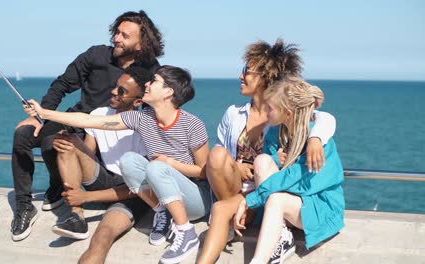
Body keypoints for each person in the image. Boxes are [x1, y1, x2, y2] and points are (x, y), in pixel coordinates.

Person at [23, 65, 210, 264]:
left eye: (153, 81)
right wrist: (45, 113)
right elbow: (88, 120)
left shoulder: (192, 124)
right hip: (163, 194)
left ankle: (186, 232)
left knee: (156, 166)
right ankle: (161, 211)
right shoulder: (141, 119)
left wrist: (170, 164)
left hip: (195, 199)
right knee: (129, 160)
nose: (147, 84)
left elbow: (205, 172)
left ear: (168, 92)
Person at [10, 10, 163, 242]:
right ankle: (24, 206)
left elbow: (154, 109)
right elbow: (62, 84)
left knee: (54, 143)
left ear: (141, 44)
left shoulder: (151, 69)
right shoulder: (96, 55)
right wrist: (37, 118)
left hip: (112, 130)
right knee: (23, 134)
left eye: (124, 35)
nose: (116, 38)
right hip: (77, 120)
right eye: (117, 32)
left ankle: (58, 189)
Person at [198, 77, 345, 264]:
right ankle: (281, 233)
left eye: (270, 108)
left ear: (288, 114)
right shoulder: (276, 132)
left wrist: (250, 200)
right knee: (262, 161)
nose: (265, 112)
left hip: (319, 206)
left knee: (277, 199)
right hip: (290, 203)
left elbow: (298, 181)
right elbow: (270, 168)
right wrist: (276, 159)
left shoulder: (318, 142)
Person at [206, 39, 336, 205]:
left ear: (265, 76)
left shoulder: (282, 115)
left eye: (247, 71)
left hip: (266, 190)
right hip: (232, 188)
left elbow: (324, 118)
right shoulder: (233, 113)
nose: (241, 76)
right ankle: (233, 215)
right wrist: (236, 167)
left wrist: (315, 138)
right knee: (216, 155)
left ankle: (239, 212)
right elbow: (219, 158)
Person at [49, 67, 151, 246]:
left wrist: (86, 197)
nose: (113, 91)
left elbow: (141, 186)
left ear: (138, 102)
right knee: (68, 141)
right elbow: (88, 154)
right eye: (115, 86)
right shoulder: (98, 114)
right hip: (105, 178)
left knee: (103, 236)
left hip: (133, 191)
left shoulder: (143, 127)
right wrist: (68, 146)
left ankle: (80, 203)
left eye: (121, 91)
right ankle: (77, 217)